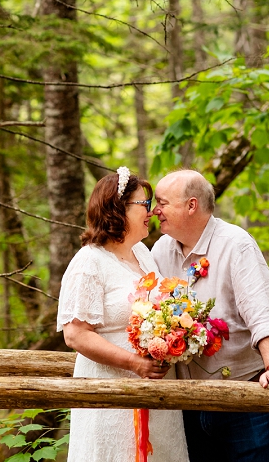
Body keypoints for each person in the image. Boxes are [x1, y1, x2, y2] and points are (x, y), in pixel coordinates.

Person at [151, 169, 269, 462]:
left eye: (162, 202)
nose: (155, 211)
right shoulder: (160, 250)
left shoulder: (235, 244)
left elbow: (262, 311)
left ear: (191, 205)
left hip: (243, 400)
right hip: (188, 403)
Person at [57, 168, 189, 462]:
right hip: (111, 395)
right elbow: (75, 335)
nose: (151, 212)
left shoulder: (143, 253)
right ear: (118, 209)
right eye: (143, 204)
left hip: (156, 394)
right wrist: (134, 363)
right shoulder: (88, 262)